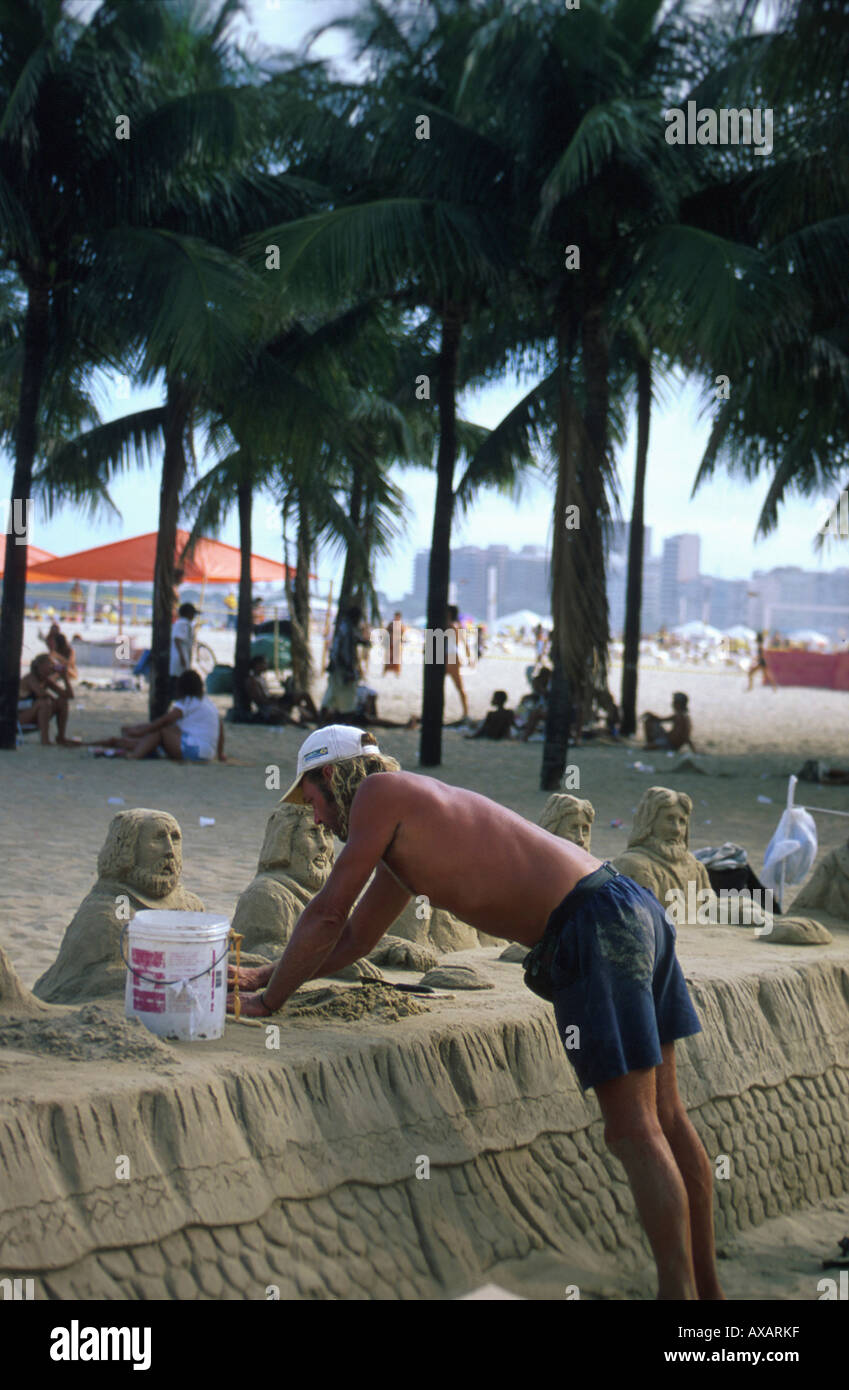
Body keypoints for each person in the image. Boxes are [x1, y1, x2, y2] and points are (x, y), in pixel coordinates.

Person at [228, 727, 723, 1302]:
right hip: (629, 907)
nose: (315, 820)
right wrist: (269, 973)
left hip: (595, 926)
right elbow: (356, 939)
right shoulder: (403, 828)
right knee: (666, 1115)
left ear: (333, 776)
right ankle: (708, 1299)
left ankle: (682, 1301)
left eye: (311, 800)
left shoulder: (376, 795)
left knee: (633, 1128)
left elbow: (328, 912)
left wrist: (268, 1003)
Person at [93, 669, 225, 761]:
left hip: (193, 750)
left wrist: (139, 731)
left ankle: (133, 756)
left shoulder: (187, 702)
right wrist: (220, 754)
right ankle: (129, 745)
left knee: (161, 731)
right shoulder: (207, 703)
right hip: (206, 753)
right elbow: (220, 728)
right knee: (166, 732)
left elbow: (163, 722)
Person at [18, 653, 77, 745]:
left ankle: (61, 737)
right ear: (40, 666)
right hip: (19, 718)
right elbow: (42, 695)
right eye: (50, 664)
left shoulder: (45, 680)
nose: (52, 666)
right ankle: (45, 740)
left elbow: (69, 696)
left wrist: (65, 678)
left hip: (34, 714)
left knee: (62, 702)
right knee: (44, 703)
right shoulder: (30, 678)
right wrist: (53, 701)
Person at [322, 605, 370, 716]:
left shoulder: (345, 627)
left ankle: (325, 721)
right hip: (342, 669)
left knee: (331, 695)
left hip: (338, 668)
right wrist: (349, 670)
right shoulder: (347, 629)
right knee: (346, 700)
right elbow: (344, 652)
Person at [242, 655, 317, 724]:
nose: (266, 666)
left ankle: (315, 716)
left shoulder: (261, 678)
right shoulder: (252, 680)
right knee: (288, 708)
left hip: (271, 701)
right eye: (264, 664)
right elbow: (259, 699)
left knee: (302, 695)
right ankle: (307, 719)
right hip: (268, 706)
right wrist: (274, 700)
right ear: (257, 665)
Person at [444, 603, 469, 722]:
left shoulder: (451, 625)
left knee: (459, 686)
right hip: (449, 655)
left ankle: (466, 712)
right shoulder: (457, 625)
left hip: (450, 656)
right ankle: (465, 712)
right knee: (459, 687)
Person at [170, 602, 198, 693]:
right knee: (179, 677)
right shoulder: (183, 624)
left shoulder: (183, 623)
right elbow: (177, 639)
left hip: (182, 655)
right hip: (179, 656)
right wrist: (182, 656)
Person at [382, 611, 406, 676]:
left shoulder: (401, 625)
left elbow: (403, 635)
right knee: (388, 658)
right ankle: (385, 672)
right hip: (390, 644)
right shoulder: (390, 624)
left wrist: (401, 639)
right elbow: (386, 632)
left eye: (398, 616)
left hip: (397, 645)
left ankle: (397, 672)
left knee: (397, 659)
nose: (397, 617)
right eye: (396, 616)